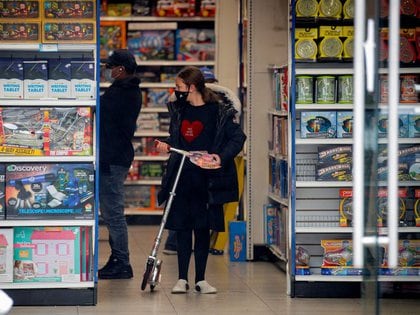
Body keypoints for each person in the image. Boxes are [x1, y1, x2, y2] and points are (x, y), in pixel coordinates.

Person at [155, 66, 246, 294]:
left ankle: (201, 279)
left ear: (192, 87)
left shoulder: (218, 112)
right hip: (182, 178)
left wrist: (220, 157)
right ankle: (182, 279)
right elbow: (176, 138)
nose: (176, 91)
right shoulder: (179, 110)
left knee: (203, 228)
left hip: (208, 180)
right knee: (183, 228)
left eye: (179, 87)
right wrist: (167, 145)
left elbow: (237, 138)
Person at [98, 49, 142, 279]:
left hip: (113, 159)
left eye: (109, 67)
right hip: (115, 157)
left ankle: (122, 263)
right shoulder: (125, 90)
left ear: (120, 69)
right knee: (111, 211)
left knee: (113, 213)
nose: (107, 70)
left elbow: (102, 111)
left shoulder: (123, 94)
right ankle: (116, 259)